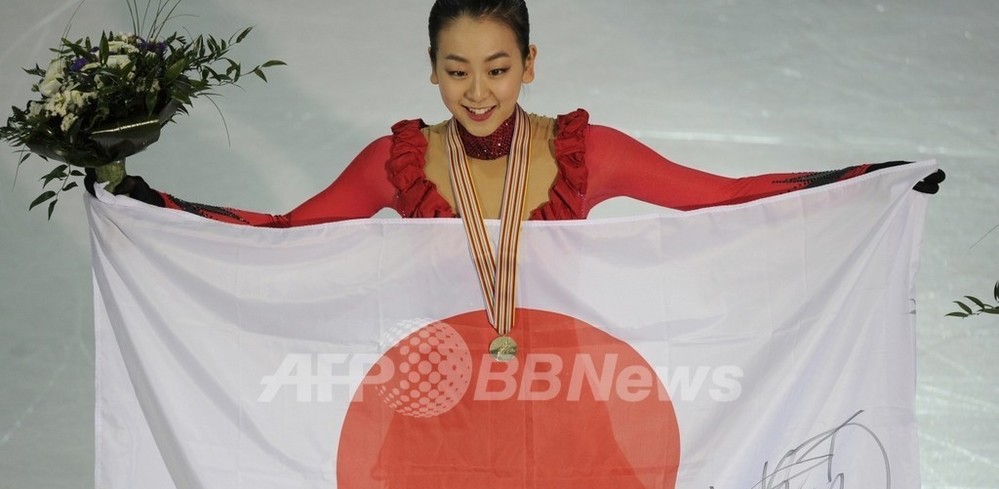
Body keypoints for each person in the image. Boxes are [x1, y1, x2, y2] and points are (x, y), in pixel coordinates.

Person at [96, 0, 942, 225]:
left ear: (529, 65)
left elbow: (717, 198)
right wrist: (152, 204)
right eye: (456, 70)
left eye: (497, 69)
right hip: (437, 400)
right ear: (429, 71)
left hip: (565, 392)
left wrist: (868, 182)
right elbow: (286, 237)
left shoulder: (588, 153)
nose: (476, 92)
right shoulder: (393, 163)